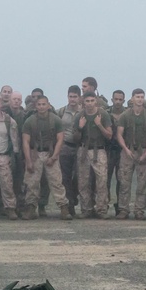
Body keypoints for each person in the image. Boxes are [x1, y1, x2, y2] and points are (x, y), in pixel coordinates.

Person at [21, 95, 71, 220]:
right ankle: (31, 208)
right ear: (35, 106)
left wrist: (54, 157)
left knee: (56, 182)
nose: (42, 107)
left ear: (48, 105)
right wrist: (28, 161)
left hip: (51, 153)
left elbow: (60, 139)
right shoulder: (29, 121)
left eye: (44, 104)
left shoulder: (56, 120)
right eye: (39, 104)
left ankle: (64, 208)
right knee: (32, 182)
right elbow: (25, 142)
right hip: (35, 153)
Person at [115, 89, 146, 220]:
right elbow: (119, 135)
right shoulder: (125, 116)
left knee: (142, 183)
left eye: (142, 97)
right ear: (132, 99)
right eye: (137, 97)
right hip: (128, 151)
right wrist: (126, 150)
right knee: (124, 182)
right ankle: (123, 209)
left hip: (143, 150)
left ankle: (139, 210)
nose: (140, 99)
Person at [74, 91, 113, 218]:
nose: (90, 104)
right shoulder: (80, 116)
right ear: (83, 102)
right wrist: (80, 127)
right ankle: (86, 209)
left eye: (92, 101)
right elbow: (75, 138)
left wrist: (99, 125)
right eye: (87, 101)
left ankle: (101, 209)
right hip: (84, 149)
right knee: (83, 181)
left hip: (99, 150)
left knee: (101, 180)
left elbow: (109, 135)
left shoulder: (103, 114)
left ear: (96, 101)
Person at [57, 85, 83, 216]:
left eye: (75, 97)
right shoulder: (60, 112)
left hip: (80, 147)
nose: (72, 99)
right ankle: (69, 204)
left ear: (79, 98)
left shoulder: (84, 112)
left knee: (79, 176)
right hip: (65, 147)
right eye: (70, 96)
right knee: (65, 177)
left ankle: (74, 197)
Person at [106, 89, 126, 215]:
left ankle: (120, 206)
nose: (118, 102)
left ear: (123, 100)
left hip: (122, 150)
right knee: (105, 179)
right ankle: (104, 204)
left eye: (120, 99)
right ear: (112, 99)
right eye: (116, 99)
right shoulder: (105, 113)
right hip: (108, 150)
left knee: (122, 179)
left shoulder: (128, 113)